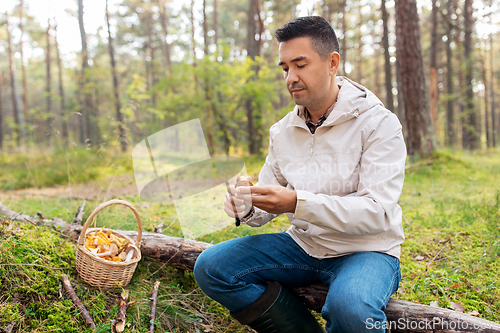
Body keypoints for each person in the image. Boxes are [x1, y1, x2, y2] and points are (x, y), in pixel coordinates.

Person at [194, 15, 406, 333]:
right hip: (303, 246)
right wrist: (246, 205)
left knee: (350, 307)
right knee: (212, 267)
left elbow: (376, 214)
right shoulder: (282, 131)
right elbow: (267, 197)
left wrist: (296, 203)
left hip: (367, 250)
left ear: (332, 63)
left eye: (300, 64)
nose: (290, 77)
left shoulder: (379, 124)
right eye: (284, 68)